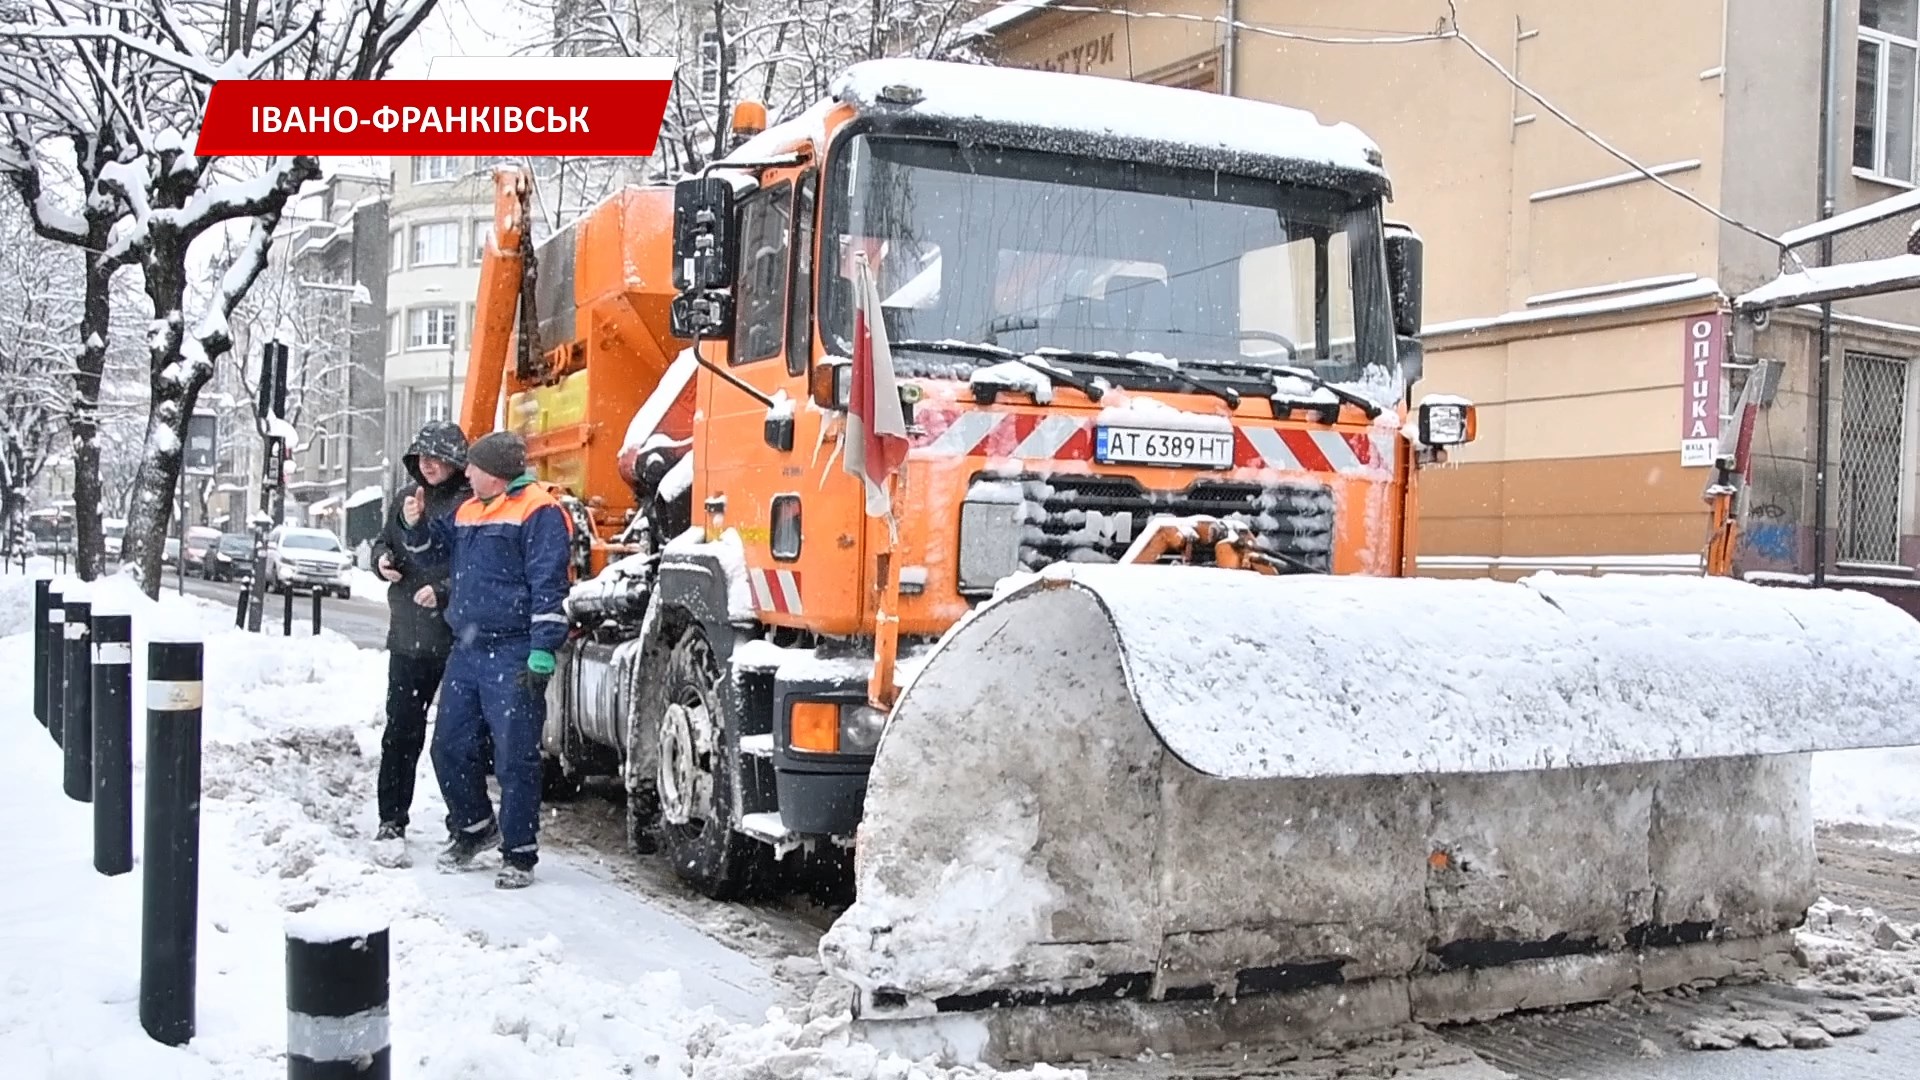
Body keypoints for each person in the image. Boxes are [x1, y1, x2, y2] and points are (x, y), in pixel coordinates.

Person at [402, 430, 572, 889]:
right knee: (449, 746)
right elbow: (435, 552)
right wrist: (414, 523)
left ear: (493, 473)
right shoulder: (469, 510)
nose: (467, 473)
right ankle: (475, 827)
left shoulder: (540, 511)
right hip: (469, 649)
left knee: (515, 756)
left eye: (473, 467)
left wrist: (542, 647)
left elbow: (548, 584)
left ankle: (518, 853)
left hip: (514, 649)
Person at [368, 421, 472, 846]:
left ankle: (463, 822)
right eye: (422, 457)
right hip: (409, 638)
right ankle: (392, 818)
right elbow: (382, 541)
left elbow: (475, 567)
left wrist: (445, 591)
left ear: (456, 462)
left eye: (438, 457)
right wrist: (381, 561)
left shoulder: (469, 505)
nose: (428, 465)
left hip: (455, 640)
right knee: (401, 731)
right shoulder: (406, 499)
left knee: (459, 738)